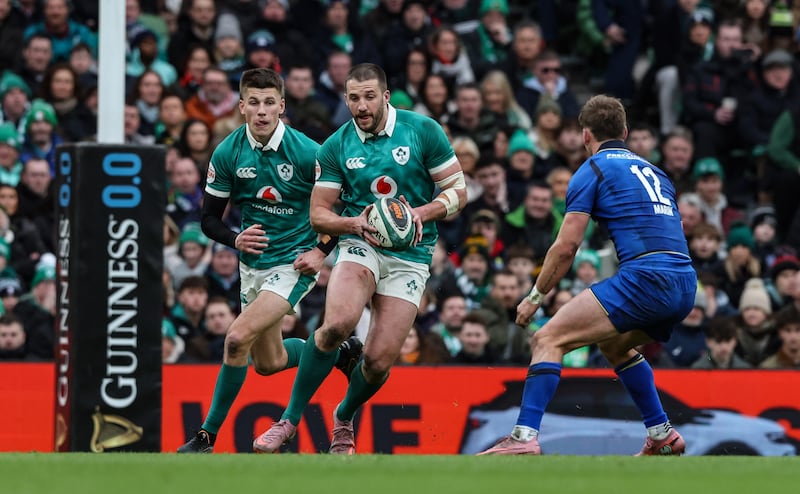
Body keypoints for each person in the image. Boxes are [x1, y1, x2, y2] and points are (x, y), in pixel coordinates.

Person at [253, 63, 466, 454]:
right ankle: (288, 420)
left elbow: (457, 191)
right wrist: (352, 223)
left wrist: (420, 213)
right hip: (360, 242)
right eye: (354, 97)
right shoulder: (335, 145)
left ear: (385, 96)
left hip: (411, 254)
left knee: (379, 361)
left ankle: (344, 417)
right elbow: (319, 213)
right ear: (346, 98)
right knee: (337, 324)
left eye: (369, 96)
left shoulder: (423, 131)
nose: (362, 105)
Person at [479, 95, 696, 456]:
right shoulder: (657, 172)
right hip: (685, 282)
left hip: (646, 279)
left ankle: (524, 438)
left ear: (585, 136)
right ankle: (662, 435)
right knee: (614, 344)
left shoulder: (592, 169)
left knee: (548, 338)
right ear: (624, 132)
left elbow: (567, 246)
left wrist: (535, 298)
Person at [176, 68, 359, 453]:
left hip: (292, 265)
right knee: (268, 362)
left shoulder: (309, 153)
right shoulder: (227, 152)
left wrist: (320, 252)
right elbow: (208, 219)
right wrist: (234, 238)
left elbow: (342, 208)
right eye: (254, 103)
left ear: (282, 106)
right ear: (242, 106)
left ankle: (206, 436)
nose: (262, 111)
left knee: (236, 338)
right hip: (252, 267)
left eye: (269, 103)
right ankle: (337, 352)